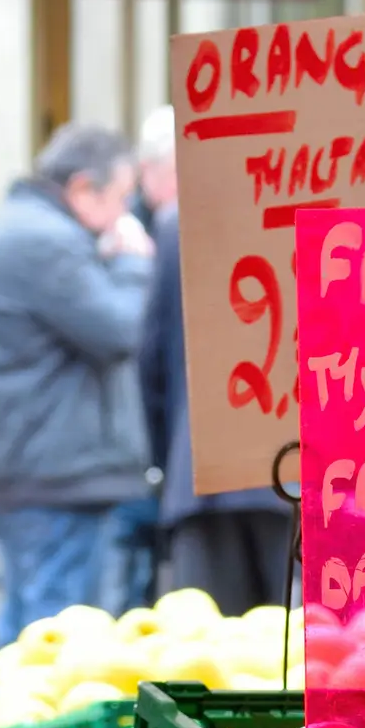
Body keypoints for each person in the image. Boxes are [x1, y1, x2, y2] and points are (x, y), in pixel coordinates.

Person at [0, 123, 154, 639]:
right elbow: (120, 330)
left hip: (18, 463)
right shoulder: (45, 242)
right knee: (55, 639)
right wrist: (132, 264)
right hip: (55, 472)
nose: (123, 216)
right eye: (121, 198)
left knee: (25, 626)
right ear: (83, 187)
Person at [137, 105, 292, 613]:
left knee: (213, 658)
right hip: (297, 472)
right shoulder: (335, 214)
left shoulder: (177, 223)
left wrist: (167, 459)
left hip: (202, 473)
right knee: (305, 665)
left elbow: (153, 359)